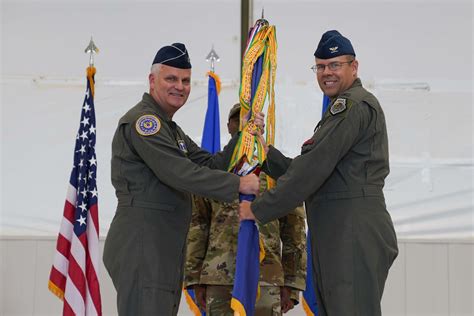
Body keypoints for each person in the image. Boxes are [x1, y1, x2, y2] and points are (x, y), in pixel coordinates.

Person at [239, 30, 399, 316]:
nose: (327, 73)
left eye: (335, 65)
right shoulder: (345, 108)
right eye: (321, 66)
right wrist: (266, 153)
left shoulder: (351, 106)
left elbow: (311, 170)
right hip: (339, 229)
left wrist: (259, 208)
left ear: (354, 67)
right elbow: (319, 171)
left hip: (351, 230)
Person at [103, 43, 260, 316]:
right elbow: (180, 173)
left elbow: (210, 163)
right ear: (152, 81)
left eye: (185, 80)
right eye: (171, 79)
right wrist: (239, 185)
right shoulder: (145, 123)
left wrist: (242, 133)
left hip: (161, 244)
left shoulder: (169, 128)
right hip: (144, 243)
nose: (180, 86)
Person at [184, 103, 307, 316]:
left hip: (266, 278)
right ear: (230, 126)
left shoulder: (276, 170)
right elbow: (198, 225)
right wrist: (195, 278)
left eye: (248, 120)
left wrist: (292, 283)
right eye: (237, 120)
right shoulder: (213, 172)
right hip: (219, 278)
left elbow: (294, 231)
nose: (243, 125)